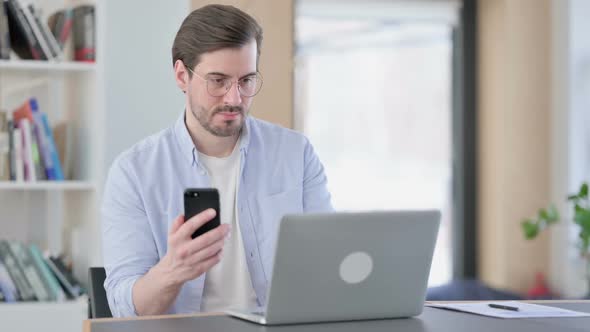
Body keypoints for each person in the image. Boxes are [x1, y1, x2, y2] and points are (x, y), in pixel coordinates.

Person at [101, 4, 333, 317]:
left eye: (246, 80)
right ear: (182, 75)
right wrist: (172, 270)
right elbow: (125, 311)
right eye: (218, 81)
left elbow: (329, 262)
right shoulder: (134, 173)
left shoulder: (296, 153)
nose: (234, 98)